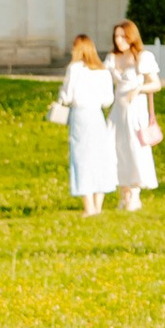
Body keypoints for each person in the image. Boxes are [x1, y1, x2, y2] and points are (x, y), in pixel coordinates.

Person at [54, 34, 113, 217]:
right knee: (99, 158)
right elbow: (107, 100)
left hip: (80, 115)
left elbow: (67, 96)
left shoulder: (75, 69)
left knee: (81, 158)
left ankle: (89, 207)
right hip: (97, 116)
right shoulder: (103, 70)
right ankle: (98, 205)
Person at [108, 18, 162, 215]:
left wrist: (139, 88)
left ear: (131, 37)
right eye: (116, 37)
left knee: (134, 150)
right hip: (117, 111)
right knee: (115, 149)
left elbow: (156, 84)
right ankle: (123, 192)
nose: (119, 40)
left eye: (123, 36)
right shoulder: (112, 59)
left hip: (135, 110)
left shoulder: (142, 57)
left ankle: (135, 193)